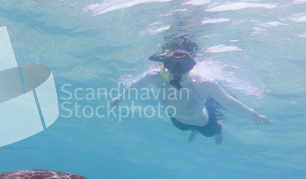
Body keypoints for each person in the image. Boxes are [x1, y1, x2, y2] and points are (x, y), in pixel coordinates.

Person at [111, 37, 270, 144]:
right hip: (178, 121)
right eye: (174, 67)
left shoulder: (204, 83)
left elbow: (228, 101)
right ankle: (194, 129)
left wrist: (252, 113)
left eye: (185, 66)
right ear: (165, 64)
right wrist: (119, 98)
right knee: (184, 127)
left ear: (193, 65)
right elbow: (133, 88)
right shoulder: (154, 76)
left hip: (204, 121)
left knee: (210, 132)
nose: (179, 73)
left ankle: (218, 124)